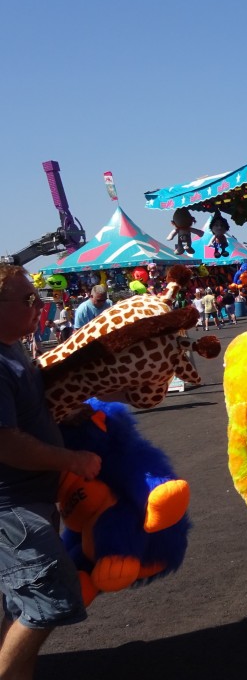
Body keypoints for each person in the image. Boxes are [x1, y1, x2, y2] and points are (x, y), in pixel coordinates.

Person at [0, 265, 102, 679]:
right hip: (13, 509)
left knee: (18, 603)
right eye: (27, 300)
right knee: (52, 599)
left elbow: (25, 415)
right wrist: (71, 461)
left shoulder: (12, 349)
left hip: (29, 504)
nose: (38, 305)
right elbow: (5, 441)